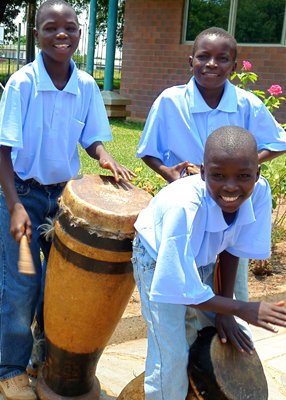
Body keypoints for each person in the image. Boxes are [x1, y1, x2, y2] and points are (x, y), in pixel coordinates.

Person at [0, 1, 135, 399]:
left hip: (64, 199)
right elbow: (3, 150)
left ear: (80, 34)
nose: (62, 34)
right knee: (22, 283)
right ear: (37, 35)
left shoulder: (87, 86)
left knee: (59, 286)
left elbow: (91, 137)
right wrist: (14, 205)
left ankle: (43, 360)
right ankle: (9, 367)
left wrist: (105, 156)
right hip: (22, 193)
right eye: (50, 27)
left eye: (70, 27)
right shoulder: (23, 84)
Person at [132, 125, 286, 400]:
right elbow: (179, 287)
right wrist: (241, 307)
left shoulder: (259, 193)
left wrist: (227, 310)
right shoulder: (183, 209)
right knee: (171, 354)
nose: (230, 186)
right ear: (202, 172)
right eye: (217, 176)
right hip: (157, 259)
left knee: (209, 334)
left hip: (201, 257)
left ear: (257, 174)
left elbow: (232, 247)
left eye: (243, 176)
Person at [136, 26, 286, 304]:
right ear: (190, 61)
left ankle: (229, 325)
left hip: (230, 203)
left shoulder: (246, 104)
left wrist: (241, 171)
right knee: (186, 281)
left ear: (234, 66)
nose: (212, 64)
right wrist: (167, 172)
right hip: (189, 203)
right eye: (203, 57)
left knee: (233, 290)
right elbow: (148, 151)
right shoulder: (170, 102)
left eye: (222, 58)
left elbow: (278, 142)